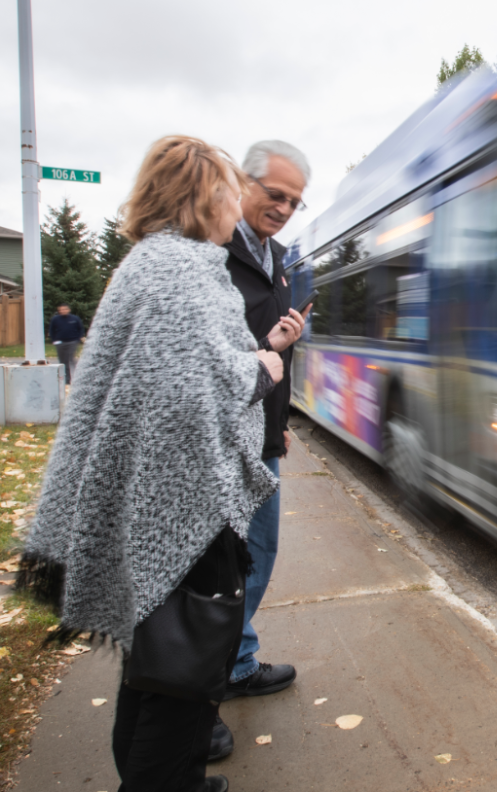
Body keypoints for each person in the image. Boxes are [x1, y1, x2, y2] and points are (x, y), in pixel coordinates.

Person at [19, 136, 297, 793]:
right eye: (230, 191)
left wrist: (256, 352)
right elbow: (190, 393)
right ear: (205, 197)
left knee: (155, 665)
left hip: (150, 504)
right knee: (183, 678)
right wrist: (262, 368)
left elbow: (173, 371)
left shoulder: (149, 263)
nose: (236, 204)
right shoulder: (186, 271)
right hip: (182, 513)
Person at [211, 140, 310, 761]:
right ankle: (200, 688)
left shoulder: (275, 257)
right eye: (276, 194)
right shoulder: (213, 249)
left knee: (258, 557)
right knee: (218, 570)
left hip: (262, 430)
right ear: (242, 184)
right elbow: (219, 352)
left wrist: (281, 419)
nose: (285, 208)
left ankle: (237, 663)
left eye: (296, 201)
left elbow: (275, 346)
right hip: (220, 438)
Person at [48, 303, 85, 385]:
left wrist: (78, 338)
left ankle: (76, 378)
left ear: (68, 310)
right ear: (59, 310)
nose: (63, 311)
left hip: (72, 342)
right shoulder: (55, 319)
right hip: (60, 342)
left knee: (70, 359)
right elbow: (51, 330)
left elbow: (80, 329)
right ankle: (66, 380)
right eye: (61, 310)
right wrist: (54, 340)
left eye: (65, 309)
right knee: (63, 361)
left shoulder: (75, 319)